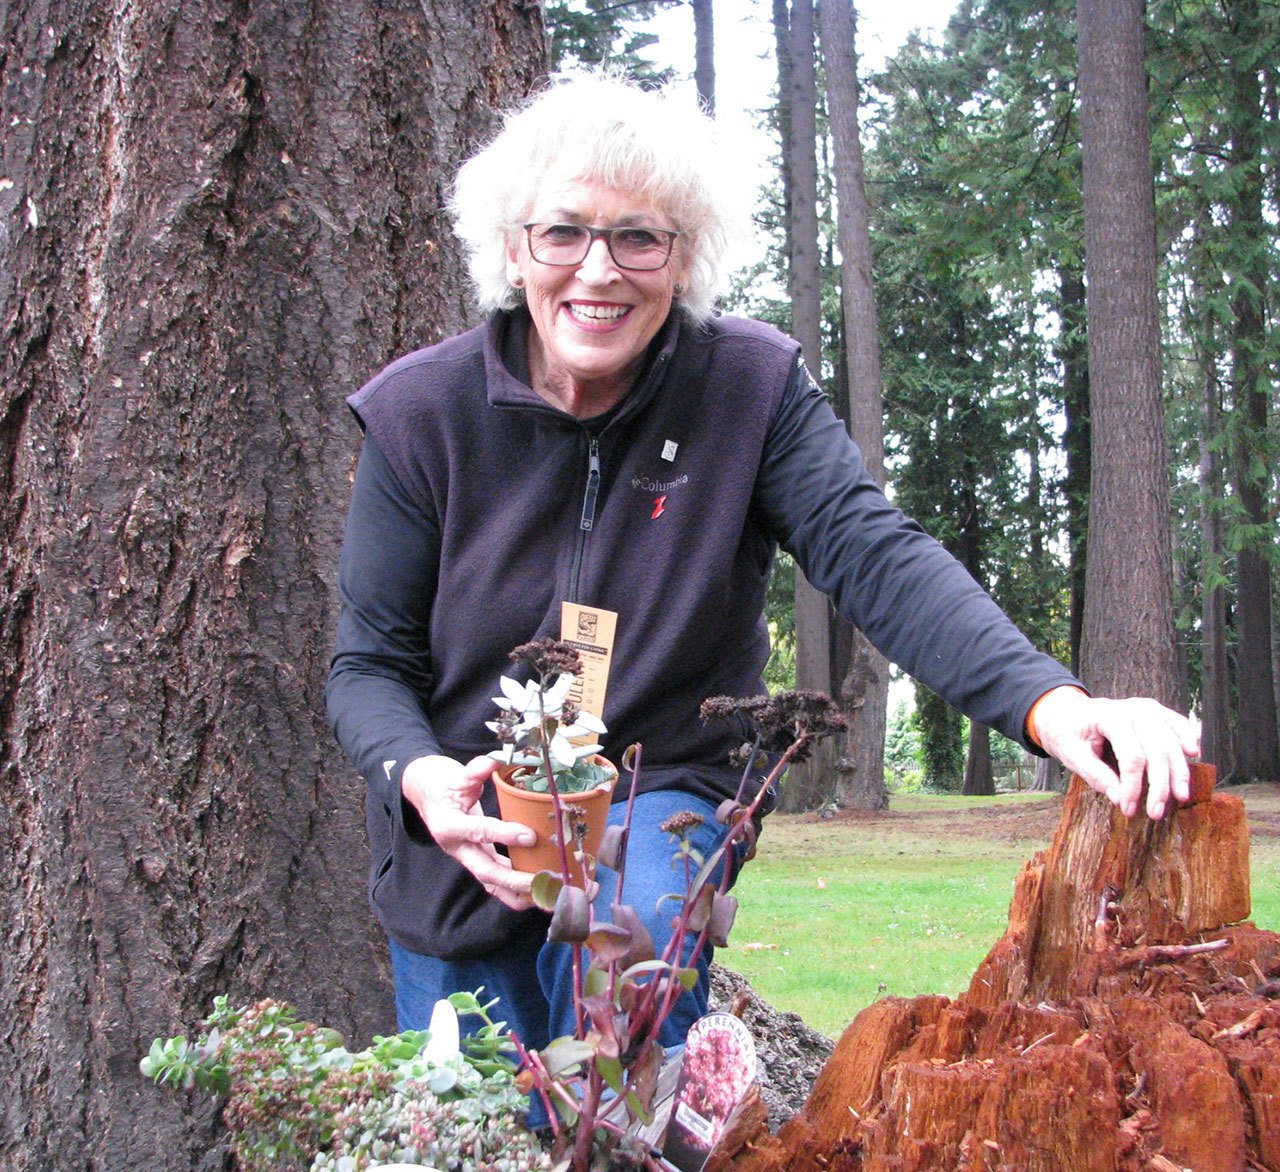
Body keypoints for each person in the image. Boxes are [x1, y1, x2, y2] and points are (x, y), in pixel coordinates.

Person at [326, 73, 1199, 1051]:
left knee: (628, 1014)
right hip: (469, 829)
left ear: (683, 253)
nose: (597, 270)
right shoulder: (418, 417)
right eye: (562, 231)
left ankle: (648, 1160)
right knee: (474, 1141)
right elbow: (366, 666)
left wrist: (1053, 703)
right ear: (512, 245)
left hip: (658, 791)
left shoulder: (745, 388)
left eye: (637, 237)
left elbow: (874, 553)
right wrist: (420, 778)